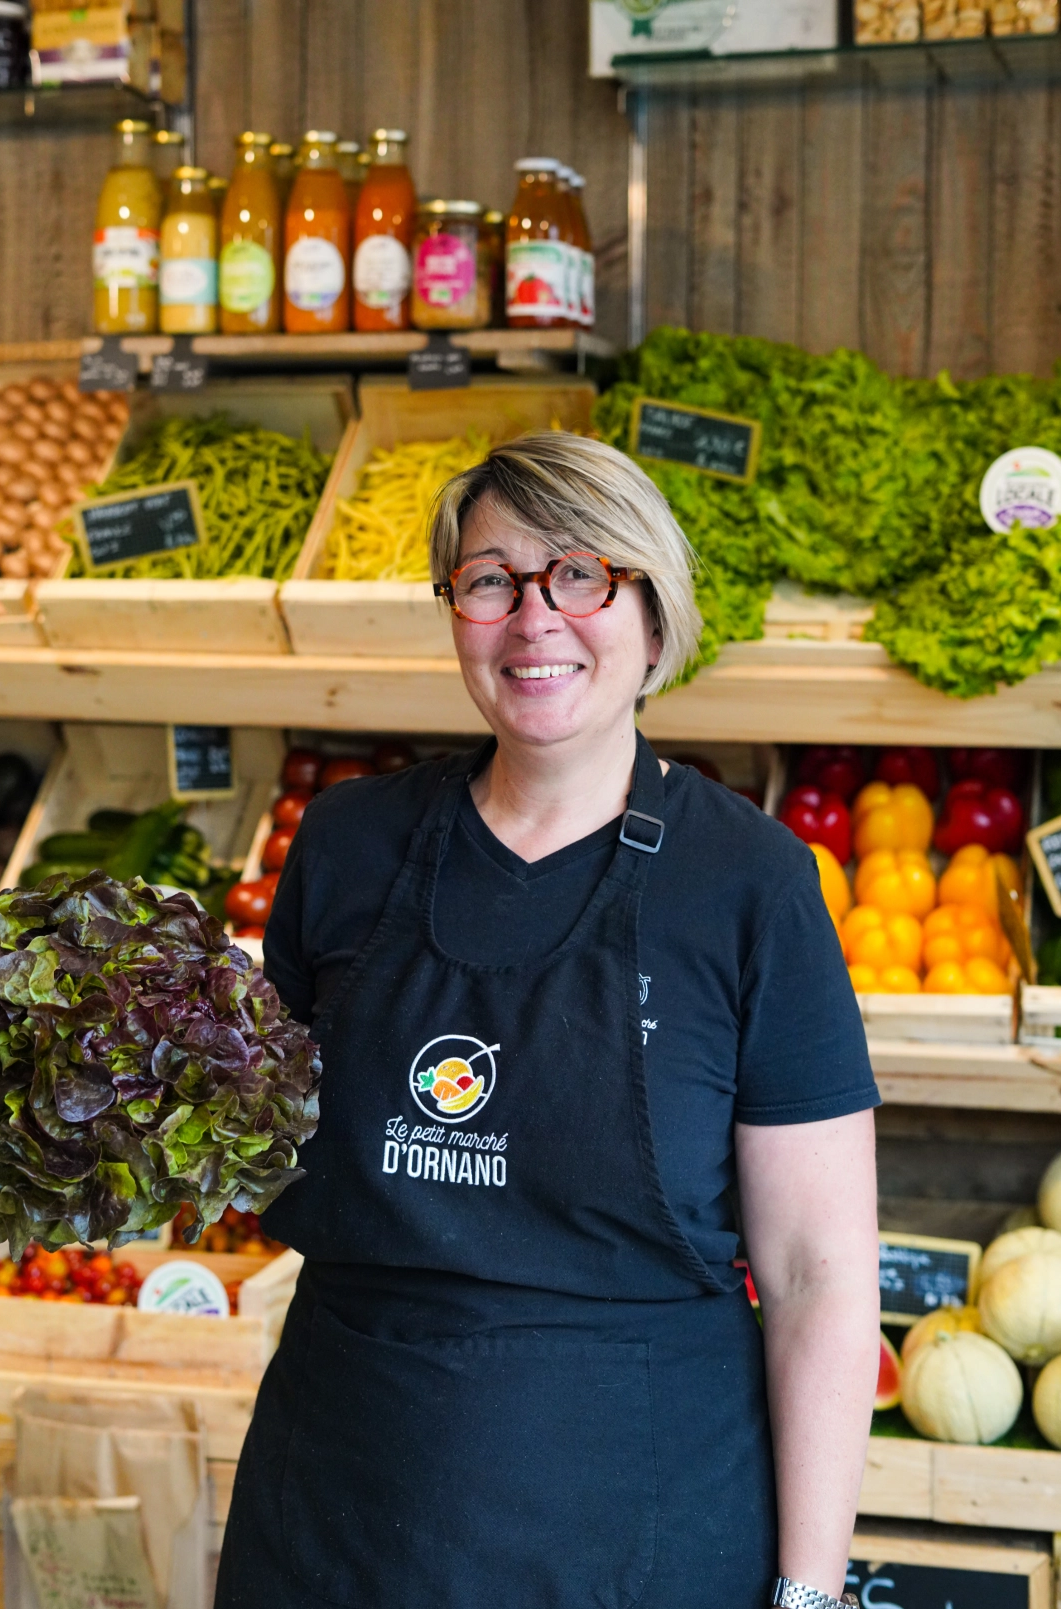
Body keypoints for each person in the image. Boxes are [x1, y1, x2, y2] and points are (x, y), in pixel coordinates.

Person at [215, 432, 881, 1609]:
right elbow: (266, 1147)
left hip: (635, 1529)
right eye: (489, 580)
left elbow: (818, 1274)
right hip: (336, 1513)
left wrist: (809, 1593)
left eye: (581, 574)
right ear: (454, 612)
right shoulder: (347, 843)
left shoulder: (753, 887)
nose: (534, 619)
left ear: (652, 612)